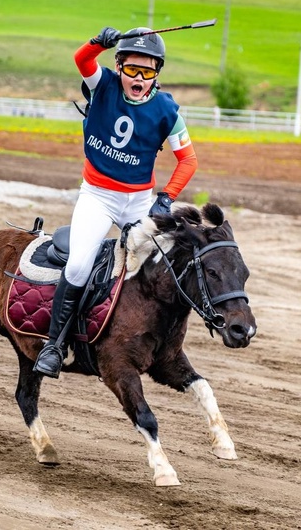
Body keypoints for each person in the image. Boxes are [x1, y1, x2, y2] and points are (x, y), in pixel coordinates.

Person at [33, 26, 199, 378]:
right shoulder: (102, 84)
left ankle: (155, 342)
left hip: (139, 202)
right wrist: (96, 42)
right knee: (78, 267)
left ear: (158, 73)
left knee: (157, 269)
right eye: (132, 69)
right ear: (119, 65)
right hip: (98, 197)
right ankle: (54, 345)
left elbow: (188, 160)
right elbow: (81, 59)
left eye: (149, 71)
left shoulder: (168, 111)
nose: (139, 78)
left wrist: (166, 198)